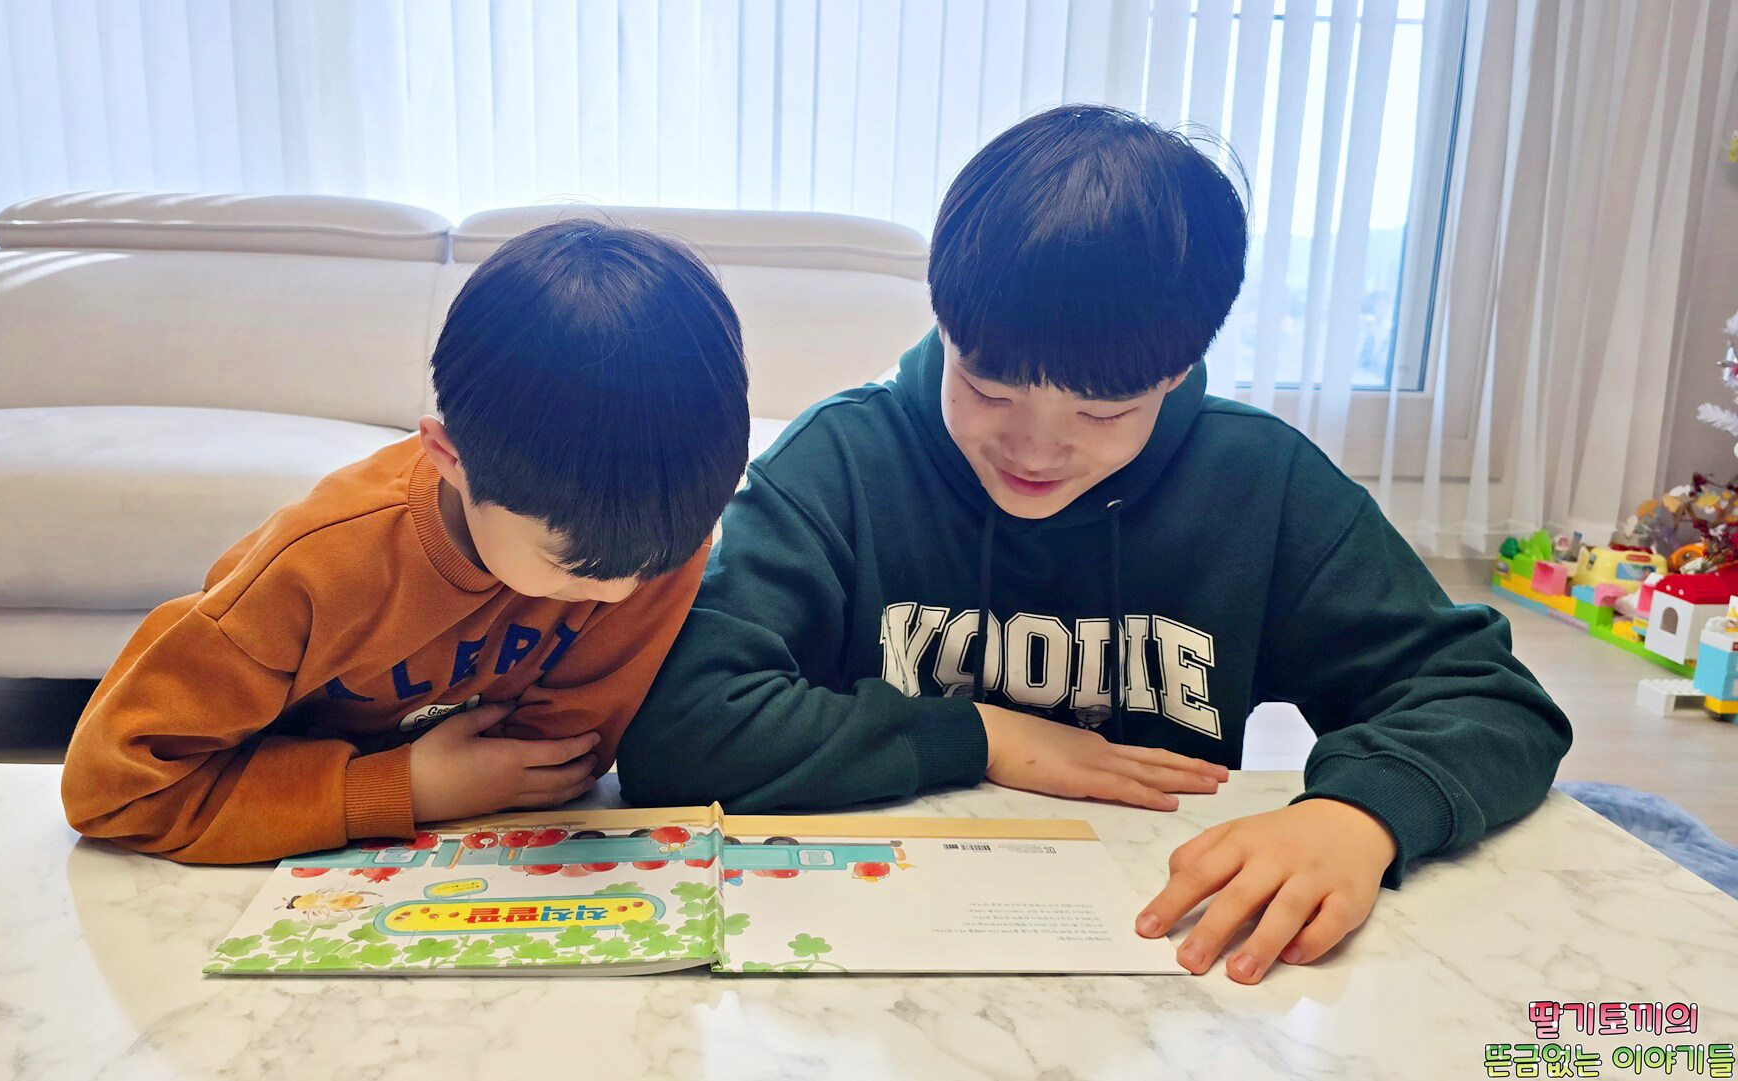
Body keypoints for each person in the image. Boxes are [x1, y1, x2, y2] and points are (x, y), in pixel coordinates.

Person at [619, 105, 1571, 983]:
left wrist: (1357, 814)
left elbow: (1487, 697)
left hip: (1162, 952)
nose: (1035, 449)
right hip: (873, 946)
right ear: (944, 323)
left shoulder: (1261, 483)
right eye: (987, 389)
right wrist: (982, 734)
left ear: (1179, 369)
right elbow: (680, 730)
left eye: (1103, 411)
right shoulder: (841, 463)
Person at [62, 219, 750, 864]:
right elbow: (114, 789)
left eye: (655, 562)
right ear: (450, 457)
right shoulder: (321, 563)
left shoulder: (662, 532)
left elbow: (555, 764)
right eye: (569, 564)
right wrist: (403, 789)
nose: (620, 592)